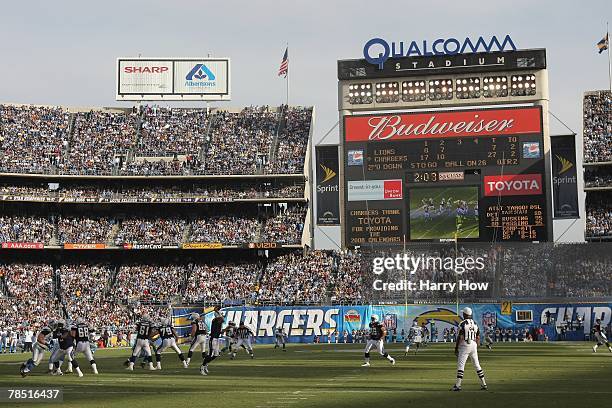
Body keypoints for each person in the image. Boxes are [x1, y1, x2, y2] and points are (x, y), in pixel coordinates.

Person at [452, 307, 487, 391]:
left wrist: (456, 347)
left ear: (465, 314)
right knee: (477, 364)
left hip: (465, 344)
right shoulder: (475, 323)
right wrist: (476, 346)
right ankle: (484, 383)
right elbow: (478, 336)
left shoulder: (462, 323)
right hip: (473, 344)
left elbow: (460, 337)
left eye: (463, 313)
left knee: (461, 365)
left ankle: (458, 385)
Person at [201, 307, 224, 376]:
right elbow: (221, 319)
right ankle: (202, 367)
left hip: (216, 338)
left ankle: (206, 364)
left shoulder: (219, 320)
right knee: (210, 354)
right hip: (212, 338)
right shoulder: (215, 320)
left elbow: (221, 320)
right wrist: (217, 311)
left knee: (216, 354)